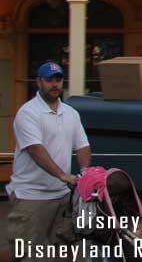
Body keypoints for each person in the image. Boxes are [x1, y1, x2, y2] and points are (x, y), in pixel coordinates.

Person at [6, 63, 91, 259]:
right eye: (49, 80)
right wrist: (62, 175)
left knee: (63, 254)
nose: (54, 84)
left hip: (62, 197)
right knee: (28, 255)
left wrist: (85, 171)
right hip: (31, 197)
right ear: (38, 82)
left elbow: (82, 145)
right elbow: (36, 149)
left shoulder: (71, 113)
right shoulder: (28, 113)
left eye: (58, 79)